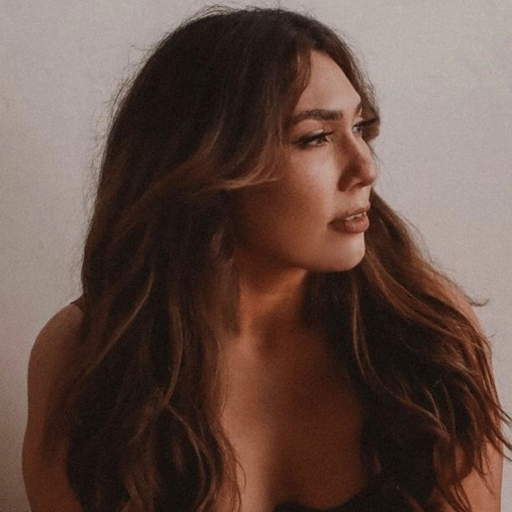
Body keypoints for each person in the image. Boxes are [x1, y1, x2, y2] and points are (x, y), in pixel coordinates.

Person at [22, 6, 510, 512]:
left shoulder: (427, 335)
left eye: (361, 128)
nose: (366, 167)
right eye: (315, 138)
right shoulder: (90, 354)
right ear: (207, 163)